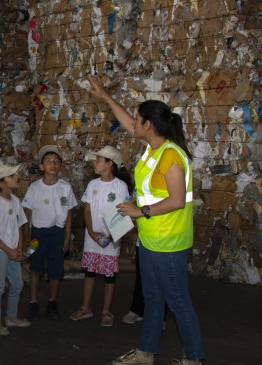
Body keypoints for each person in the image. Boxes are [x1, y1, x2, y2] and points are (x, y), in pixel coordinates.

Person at [88, 75, 203, 365]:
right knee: (152, 299)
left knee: (177, 302)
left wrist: (141, 211)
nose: (133, 124)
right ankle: (145, 352)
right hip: (150, 239)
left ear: (148, 125)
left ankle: (193, 358)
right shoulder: (153, 150)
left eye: (138, 120)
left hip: (169, 242)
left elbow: (176, 200)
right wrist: (104, 96)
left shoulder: (172, 157)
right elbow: (127, 122)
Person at [69, 146, 132, 327]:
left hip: (112, 238)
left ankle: (106, 310)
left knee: (109, 275)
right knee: (89, 273)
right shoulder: (93, 185)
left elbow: (123, 212)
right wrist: (92, 232)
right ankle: (86, 307)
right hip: (93, 237)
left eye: (98, 160)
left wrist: (111, 236)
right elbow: (87, 210)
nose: (94, 163)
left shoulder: (120, 186)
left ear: (109, 164)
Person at [22, 145, 78, 320]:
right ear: (41, 166)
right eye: (48, 161)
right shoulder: (34, 188)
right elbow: (28, 214)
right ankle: (33, 301)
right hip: (38, 233)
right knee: (36, 267)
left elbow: (69, 213)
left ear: (60, 166)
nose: (52, 164)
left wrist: (68, 236)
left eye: (56, 162)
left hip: (57, 233)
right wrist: (26, 237)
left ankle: (53, 301)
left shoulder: (65, 187)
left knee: (55, 268)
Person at [0, 160, 31, 336]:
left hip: (13, 250)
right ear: (0, 182)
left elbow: (19, 225)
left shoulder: (15, 200)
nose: (17, 177)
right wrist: (8, 250)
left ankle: (11, 316)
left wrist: (19, 247)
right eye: (12, 176)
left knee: (18, 284)